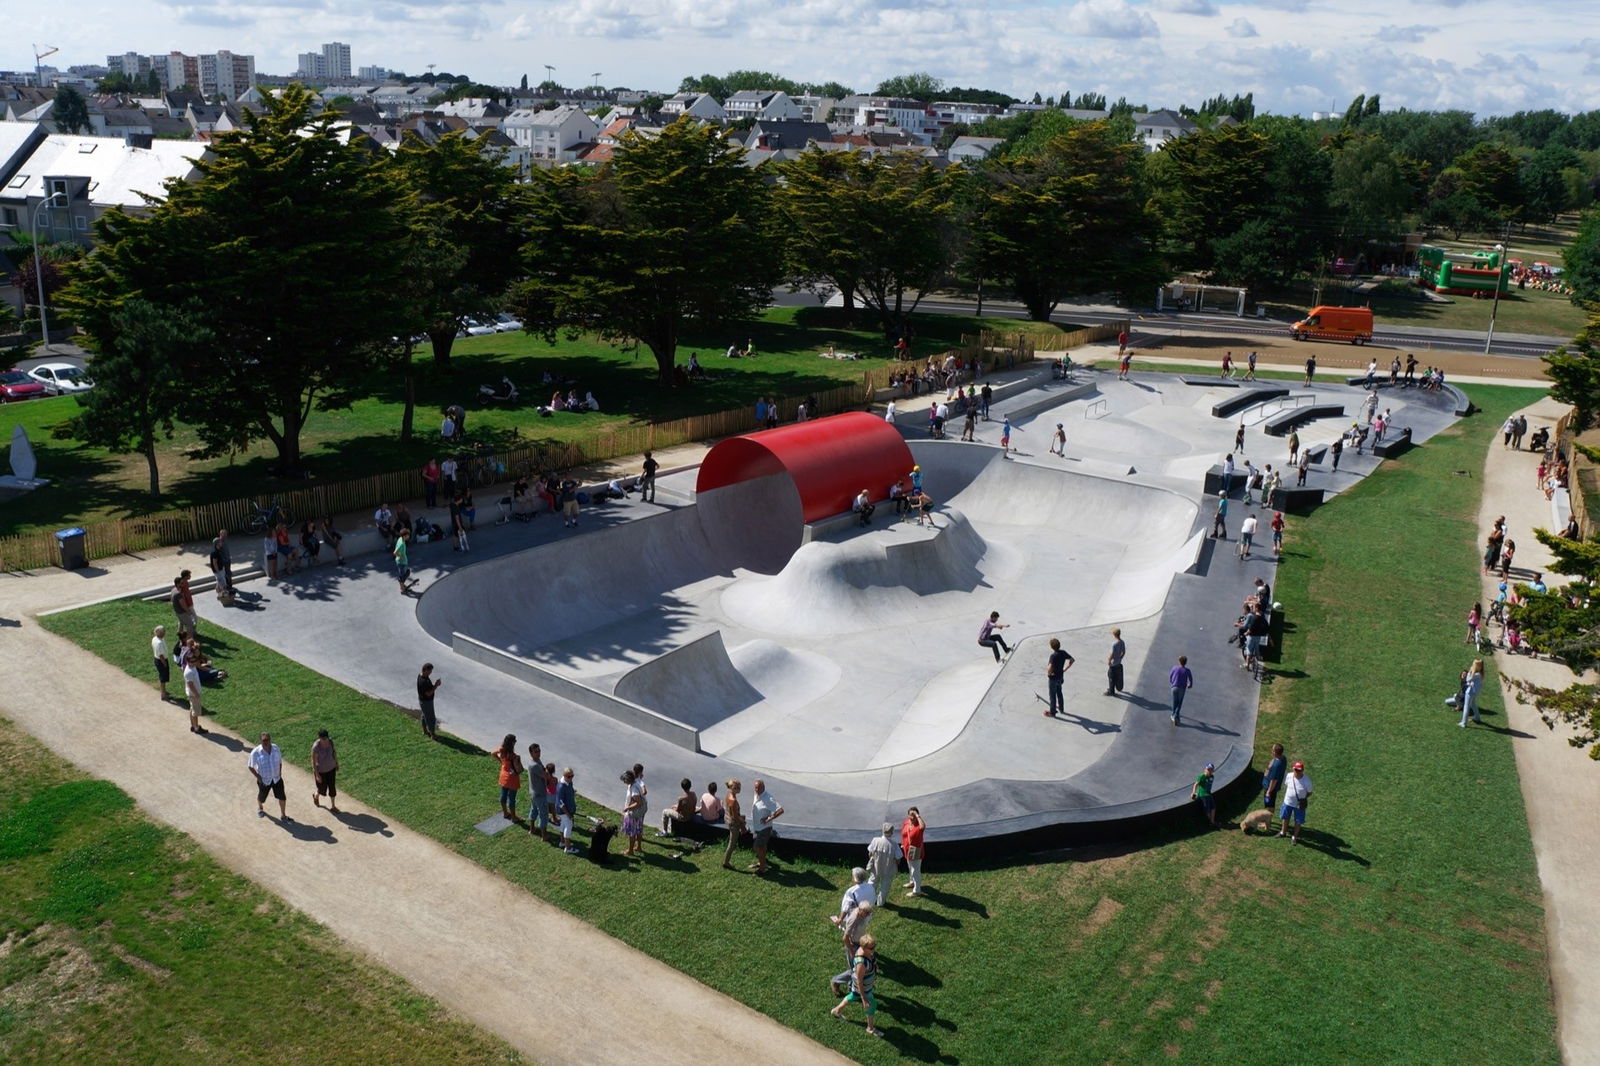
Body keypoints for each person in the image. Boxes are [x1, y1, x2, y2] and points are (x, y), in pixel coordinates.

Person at [829, 934, 884, 1038]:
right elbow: (859, 981)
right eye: (871, 948)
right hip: (863, 988)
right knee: (872, 1004)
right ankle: (870, 1028)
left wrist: (875, 965)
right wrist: (863, 998)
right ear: (863, 947)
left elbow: (871, 958)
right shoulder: (861, 963)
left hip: (865, 986)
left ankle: (836, 1010)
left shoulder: (867, 952)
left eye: (874, 946)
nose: (874, 949)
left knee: (853, 996)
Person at [248, 732, 287, 820]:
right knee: (262, 798)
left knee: (282, 797)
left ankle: (283, 815)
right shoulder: (256, 752)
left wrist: (280, 773)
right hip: (264, 781)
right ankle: (260, 808)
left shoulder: (276, 748)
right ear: (260, 741)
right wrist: (259, 778)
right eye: (264, 740)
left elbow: (280, 761)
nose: (266, 742)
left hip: (277, 779)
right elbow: (250, 766)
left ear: (270, 739)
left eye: (267, 740)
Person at [748, 778, 783, 874]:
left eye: (758, 788)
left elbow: (780, 810)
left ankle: (762, 868)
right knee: (762, 846)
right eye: (755, 788)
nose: (756, 790)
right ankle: (761, 862)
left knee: (757, 847)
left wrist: (768, 818)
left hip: (764, 828)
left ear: (763, 787)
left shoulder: (768, 798)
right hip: (756, 827)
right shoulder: (757, 794)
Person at [866, 823, 901, 905]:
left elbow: (870, 853)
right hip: (888, 868)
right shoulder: (894, 844)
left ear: (882, 831)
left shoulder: (875, 840)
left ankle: (869, 899)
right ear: (892, 832)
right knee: (885, 886)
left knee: (872, 882)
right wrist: (896, 865)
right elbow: (898, 858)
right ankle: (880, 903)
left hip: (875, 867)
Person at [1278, 761, 1312, 843]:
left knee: (1298, 821)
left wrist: (1303, 798)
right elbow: (1287, 785)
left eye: (1299, 770)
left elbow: (1310, 792)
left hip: (1299, 805)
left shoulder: (1307, 780)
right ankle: (1283, 832)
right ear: (1293, 769)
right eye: (1296, 770)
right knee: (1285, 818)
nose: (1297, 772)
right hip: (1288, 802)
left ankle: (1294, 837)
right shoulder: (1289, 776)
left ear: (1302, 770)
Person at [492, 734, 523, 821]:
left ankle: (505, 813)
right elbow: (519, 769)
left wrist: (501, 762)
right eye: (515, 740)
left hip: (503, 776)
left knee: (503, 795)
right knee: (512, 799)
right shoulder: (513, 755)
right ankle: (514, 817)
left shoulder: (502, 749)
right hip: (512, 779)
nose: (516, 742)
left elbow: (493, 753)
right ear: (512, 742)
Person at [311, 729, 339, 813]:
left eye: (326, 738)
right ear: (319, 738)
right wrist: (317, 774)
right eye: (323, 739)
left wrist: (336, 763)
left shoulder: (330, 742)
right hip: (321, 771)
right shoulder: (316, 747)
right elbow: (313, 761)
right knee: (322, 789)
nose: (325, 740)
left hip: (331, 768)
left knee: (332, 787)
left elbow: (334, 753)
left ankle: (333, 806)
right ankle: (316, 795)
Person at [1045, 636, 1074, 717]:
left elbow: (1050, 667)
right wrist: (1065, 669)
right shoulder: (1063, 652)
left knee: (1052, 695)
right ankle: (1061, 708)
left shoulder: (1053, 656)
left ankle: (1052, 712)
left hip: (1053, 678)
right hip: (1060, 677)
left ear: (1051, 647)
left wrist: (1048, 673)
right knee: (1059, 692)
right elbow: (1072, 660)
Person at [526, 744, 550, 842]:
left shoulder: (534, 761)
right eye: (536, 752)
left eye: (539, 751)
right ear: (531, 753)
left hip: (533, 792)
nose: (539, 753)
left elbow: (543, 770)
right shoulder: (535, 765)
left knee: (534, 810)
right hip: (539, 793)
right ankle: (544, 835)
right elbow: (546, 776)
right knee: (543, 813)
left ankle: (532, 829)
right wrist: (547, 772)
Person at [901, 807, 926, 896]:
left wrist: (918, 816)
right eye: (910, 815)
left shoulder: (919, 826)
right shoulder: (906, 822)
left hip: (915, 851)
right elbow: (903, 833)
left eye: (914, 815)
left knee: (915, 871)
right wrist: (903, 843)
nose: (912, 817)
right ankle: (912, 882)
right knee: (910, 867)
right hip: (907, 850)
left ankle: (917, 891)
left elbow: (923, 827)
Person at [1261, 743, 1287, 830]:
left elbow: (1274, 780)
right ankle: (1268, 821)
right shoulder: (1282, 759)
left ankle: (1267, 824)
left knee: (1268, 805)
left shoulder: (1277, 765)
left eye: (1273, 750)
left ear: (1275, 752)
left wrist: (1268, 792)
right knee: (1270, 805)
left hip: (1270, 788)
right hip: (1270, 787)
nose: (1271, 751)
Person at [621, 768, 646, 856]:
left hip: (634, 813)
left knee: (632, 832)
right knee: (638, 830)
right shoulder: (635, 783)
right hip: (639, 813)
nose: (624, 782)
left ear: (629, 780)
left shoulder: (634, 788)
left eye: (625, 780)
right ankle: (638, 847)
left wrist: (627, 808)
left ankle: (630, 850)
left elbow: (638, 802)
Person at [556, 768, 581, 854]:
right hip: (564, 811)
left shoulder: (569, 782)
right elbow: (560, 803)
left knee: (563, 824)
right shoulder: (561, 787)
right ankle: (568, 848)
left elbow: (570, 790)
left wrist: (572, 792)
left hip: (567, 810)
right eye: (570, 776)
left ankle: (562, 842)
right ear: (565, 776)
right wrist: (568, 814)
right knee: (568, 826)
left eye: (572, 776)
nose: (571, 778)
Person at [722, 778, 745, 870]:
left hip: (728, 820)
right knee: (732, 844)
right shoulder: (733, 800)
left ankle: (726, 861)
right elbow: (735, 817)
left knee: (731, 843)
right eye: (736, 787)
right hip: (733, 823)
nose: (738, 789)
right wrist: (742, 823)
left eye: (739, 787)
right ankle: (726, 862)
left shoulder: (729, 794)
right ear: (731, 788)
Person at [183, 650, 207, 735]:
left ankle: (193, 725)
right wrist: (196, 694)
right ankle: (197, 728)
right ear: (188, 661)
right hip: (193, 694)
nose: (194, 662)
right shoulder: (189, 672)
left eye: (195, 660)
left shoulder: (192, 667)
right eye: (192, 661)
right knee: (195, 712)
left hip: (192, 693)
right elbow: (190, 685)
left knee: (192, 709)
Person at [417, 663, 441, 740]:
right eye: (430, 671)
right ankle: (433, 735)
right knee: (431, 718)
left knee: (424, 715)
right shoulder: (422, 681)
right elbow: (428, 693)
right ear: (426, 670)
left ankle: (424, 731)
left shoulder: (422, 675)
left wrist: (434, 685)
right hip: (426, 702)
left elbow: (429, 689)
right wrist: (436, 685)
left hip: (424, 701)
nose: (431, 672)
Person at [1459, 659, 1487, 727]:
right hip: (1475, 692)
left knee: (1466, 706)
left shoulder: (1476, 674)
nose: (1472, 665)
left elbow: (1468, 679)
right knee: (1473, 704)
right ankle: (1477, 718)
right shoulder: (1481, 673)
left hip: (1470, 692)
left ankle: (1463, 723)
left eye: (1473, 664)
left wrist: (1471, 671)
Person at [1169, 654, 1194, 726]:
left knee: (1175, 701)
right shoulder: (1187, 670)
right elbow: (1191, 679)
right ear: (1186, 662)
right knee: (1179, 703)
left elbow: (1170, 676)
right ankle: (1176, 715)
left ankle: (1173, 715)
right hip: (1182, 688)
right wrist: (1190, 685)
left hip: (1174, 687)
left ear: (1179, 662)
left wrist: (1172, 682)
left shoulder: (1174, 668)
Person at [1191, 762, 1217, 828]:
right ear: (1205, 769)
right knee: (1207, 809)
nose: (1209, 771)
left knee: (1213, 807)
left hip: (1208, 794)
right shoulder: (1201, 776)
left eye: (1211, 770)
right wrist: (1194, 792)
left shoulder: (1212, 777)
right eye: (1208, 769)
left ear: (1213, 770)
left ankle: (1212, 821)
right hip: (1203, 795)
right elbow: (1196, 784)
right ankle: (1211, 822)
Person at [151, 624, 173, 702]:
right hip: (161, 661)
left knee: (163, 677)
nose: (164, 633)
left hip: (158, 660)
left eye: (164, 631)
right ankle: (163, 694)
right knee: (163, 678)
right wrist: (165, 664)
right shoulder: (159, 642)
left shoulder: (155, 638)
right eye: (163, 632)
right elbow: (161, 655)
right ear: (158, 632)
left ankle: (163, 691)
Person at [209, 531, 233, 599]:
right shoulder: (215, 552)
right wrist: (219, 572)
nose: (222, 542)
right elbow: (214, 563)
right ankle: (225, 597)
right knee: (223, 584)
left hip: (221, 569)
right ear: (217, 544)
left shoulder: (218, 550)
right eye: (220, 542)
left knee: (219, 583)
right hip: (218, 570)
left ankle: (219, 594)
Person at [1106, 627, 1126, 696]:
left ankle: (1111, 691)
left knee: (1111, 676)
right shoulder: (1122, 642)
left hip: (1113, 664)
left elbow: (1112, 654)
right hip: (1118, 663)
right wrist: (1120, 658)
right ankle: (1112, 688)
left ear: (1114, 634)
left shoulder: (1114, 644)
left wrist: (1109, 660)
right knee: (1116, 676)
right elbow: (1123, 652)